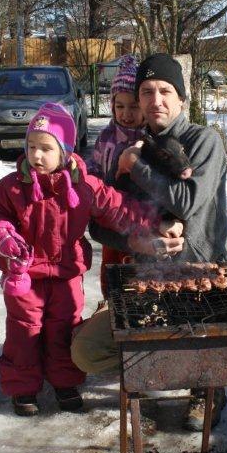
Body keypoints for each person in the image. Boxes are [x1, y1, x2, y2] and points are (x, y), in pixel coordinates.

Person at [0, 101, 181, 417]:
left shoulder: (83, 184)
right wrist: (4, 235)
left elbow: (118, 208)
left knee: (64, 328)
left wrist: (157, 222)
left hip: (67, 273)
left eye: (46, 148)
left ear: (65, 150)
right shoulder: (14, 185)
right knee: (24, 331)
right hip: (26, 274)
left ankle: (64, 382)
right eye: (31, 146)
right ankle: (23, 387)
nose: (36, 155)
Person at [71, 53, 227, 430]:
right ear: (138, 100)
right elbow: (102, 224)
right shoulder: (134, 146)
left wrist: (135, 168)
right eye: (147, 91)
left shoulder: (203, 141)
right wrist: (141, 241)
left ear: (181, 99)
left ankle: (206, 385)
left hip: (198, 276)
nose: (155, 100)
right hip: (147, 280)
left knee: (200, 338)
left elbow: (187, 201)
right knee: (85, 352)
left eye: (164, 91)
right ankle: (155, 365)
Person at [87, 54, 146, 296]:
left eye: (134, 106)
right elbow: (96, 165)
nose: (126, 114)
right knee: (111, 272)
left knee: (139, 277)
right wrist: (90, 176)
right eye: (119, 106)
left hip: (141, 221)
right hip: (109, 220)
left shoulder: (149, 139)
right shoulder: (107, 137)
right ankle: (111, 305)